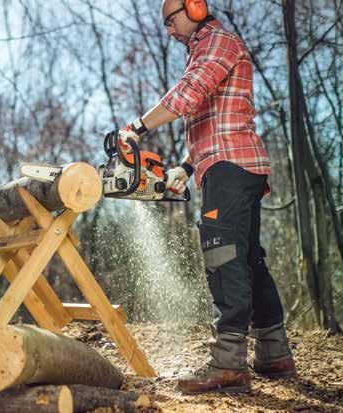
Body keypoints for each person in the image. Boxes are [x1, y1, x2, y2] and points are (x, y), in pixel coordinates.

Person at [112, 0, 297, 394]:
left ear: (194, 7)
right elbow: (214, 119)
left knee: (221, 254)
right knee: (247, 258)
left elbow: (189, 94)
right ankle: (274, 353)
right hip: (229, 163)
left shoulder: (217, 40)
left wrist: (136, 128)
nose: (169, 31)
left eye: (171, 20)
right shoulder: (206, 48)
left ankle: (228, 363)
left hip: (230, 164)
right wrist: (186, 166)